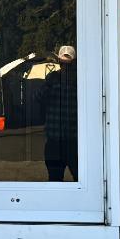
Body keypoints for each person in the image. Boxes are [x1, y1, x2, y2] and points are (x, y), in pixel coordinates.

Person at [43, 44, 79, 182]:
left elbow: (37, 99)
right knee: (56, 180)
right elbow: (38, 99)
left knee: (80, 180)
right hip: (58, 142)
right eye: (64, 64)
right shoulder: (53, 79)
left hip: (71, 141)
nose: (65, 67)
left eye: (67, 64)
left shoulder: (79, 81)